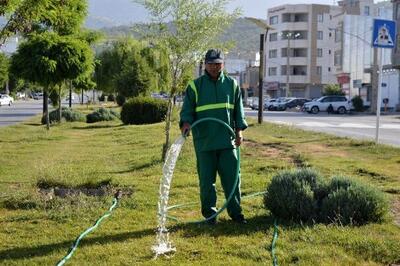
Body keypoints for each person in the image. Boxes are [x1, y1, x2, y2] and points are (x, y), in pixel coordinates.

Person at [179, 48, 248, 225]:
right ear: (205, 65)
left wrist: (239, 131)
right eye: (210, 64)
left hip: (227, 142)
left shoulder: (232, 85)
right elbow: (187, 111)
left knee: (232, 180)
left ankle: (236, 214)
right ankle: (210, 216)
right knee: (206, 182)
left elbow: (238, 113)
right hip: (205, 143)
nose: (214, 67)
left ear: (222, 64)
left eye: (217, 64)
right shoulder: (195, 86)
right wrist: (186, 124)